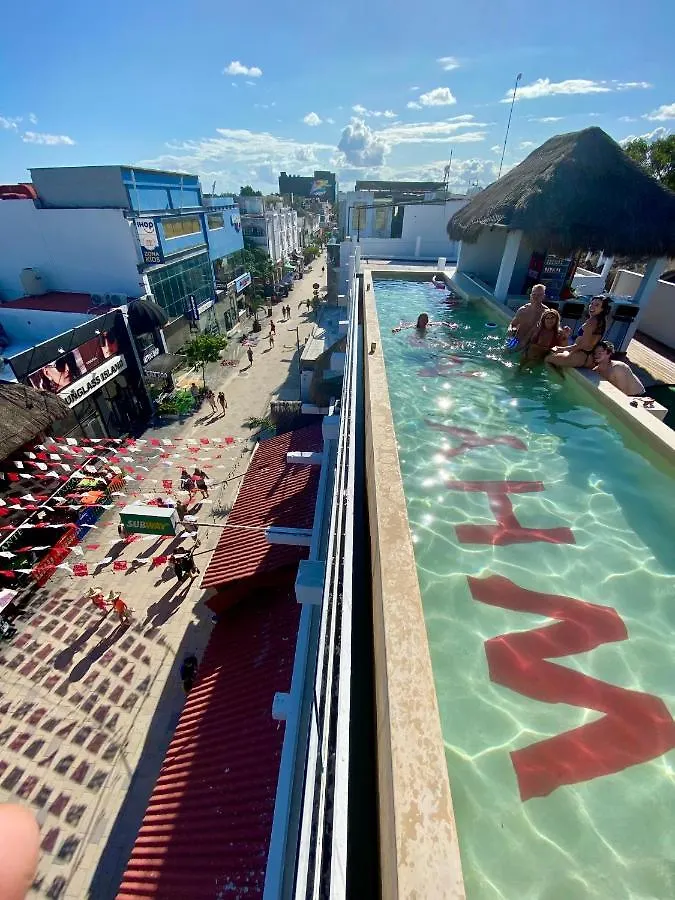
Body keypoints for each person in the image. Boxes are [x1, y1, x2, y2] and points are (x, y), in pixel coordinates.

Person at [546, 295, 611, 369]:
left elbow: (583, 344)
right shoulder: (601, 321)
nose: (592, 306)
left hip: (580, 356)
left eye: (597, 305)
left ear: (602, 309)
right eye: (591, 303)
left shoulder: (591, 322)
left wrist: (563, 349)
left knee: (547, 359)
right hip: (587, 356)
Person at [507, 284, 549, 350]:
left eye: (539, 295)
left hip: (532, 346)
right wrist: (510, 329)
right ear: (530, 295)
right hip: (516, 341)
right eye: (534, 294)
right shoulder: (523, 310)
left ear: (543, 296)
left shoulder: (546, 313)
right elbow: (513, 324)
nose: (536, 297)